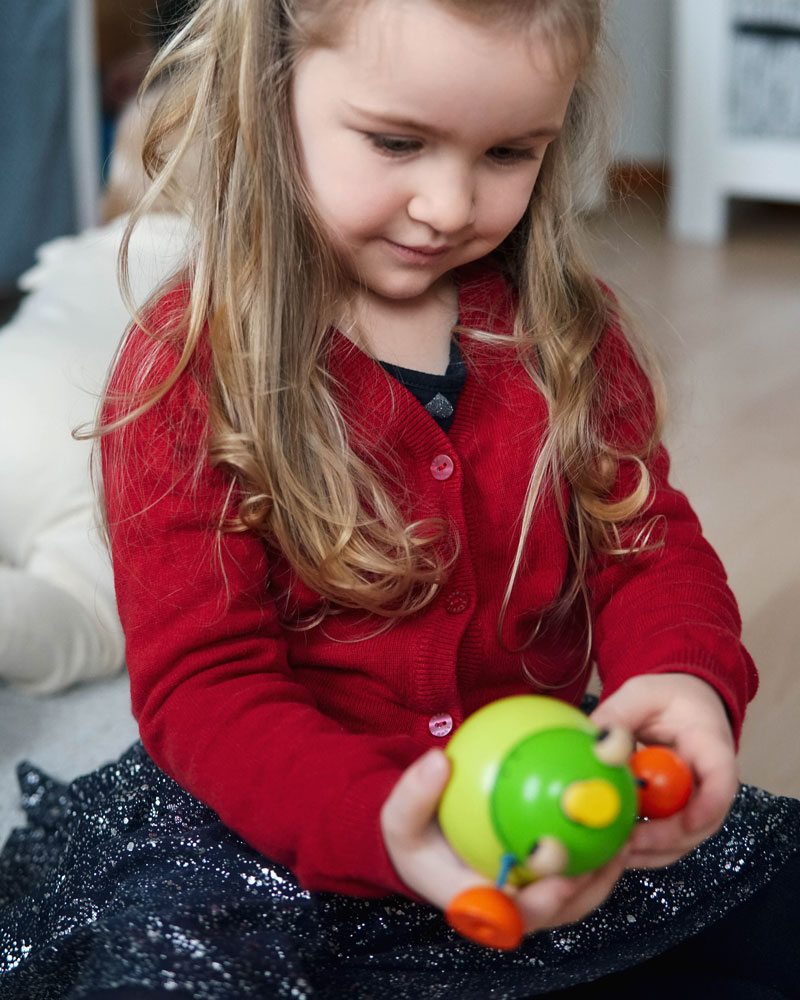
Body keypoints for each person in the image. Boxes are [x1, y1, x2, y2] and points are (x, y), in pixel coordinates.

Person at [0, 0, 798, 997]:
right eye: (395, 141)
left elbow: (645, 548)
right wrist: (384, 820)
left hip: (525, 798)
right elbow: (207, 686)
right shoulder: (187, 370)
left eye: (508, 152)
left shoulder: (563, 332)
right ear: (270, 89)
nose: (448, 203)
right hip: (271, 829)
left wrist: (683, 682)